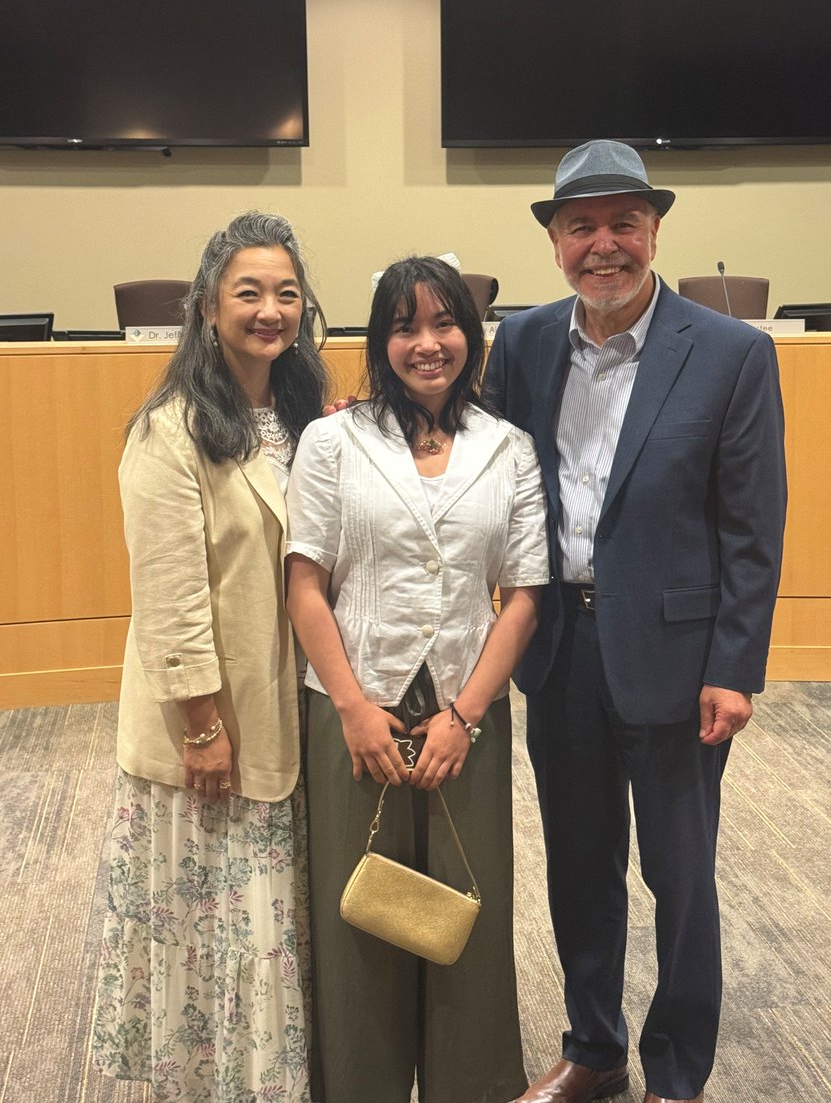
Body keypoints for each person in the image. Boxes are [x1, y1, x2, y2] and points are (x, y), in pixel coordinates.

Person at [483, 141, 787, 1103]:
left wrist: (735, 667)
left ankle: (678, 1071)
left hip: (679, 658)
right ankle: (596, 1048)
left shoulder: (732, 351)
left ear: (655, 230)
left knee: (680, 876)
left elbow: (752, 526)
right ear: (554, 240)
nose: (603, 245)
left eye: (624, 224)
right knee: (579, 865)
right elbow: (485, 480)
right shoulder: (523, 344)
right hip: (559, 652)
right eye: (582, 227)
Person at [284, 256, 548, 1103]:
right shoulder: (333, 440)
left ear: (473, 338)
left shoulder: (508, 449)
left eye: (446, 325)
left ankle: (466, 1085)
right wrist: (356, 709)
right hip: (353, 710)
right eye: (405, 326)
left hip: (462, 715)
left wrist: (465, 716)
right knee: (359, 908)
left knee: (464, 904)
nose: (427, 344)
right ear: (380, 338)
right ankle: (360, 1084)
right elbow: (305, 586)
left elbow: (523, 597)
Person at [92, 211, 327, 1102]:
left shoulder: (302, 416)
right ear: (206, 307)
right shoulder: (173, 427)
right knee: (219, 918)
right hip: (212, 725)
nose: (271, 310)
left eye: (287, 293)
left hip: (286, 704)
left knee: (268, 914)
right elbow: (168, 593)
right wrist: (201, 726)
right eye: (249, 292)